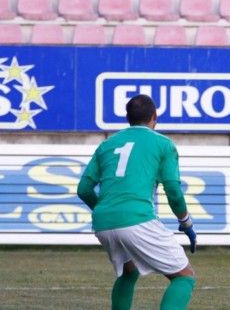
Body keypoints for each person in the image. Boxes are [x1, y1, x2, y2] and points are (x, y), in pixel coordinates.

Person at [77, 94, 197, 310]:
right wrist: (186, 222)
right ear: (155, 116)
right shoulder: (163, 144)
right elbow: (173, 191)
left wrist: (107, 211)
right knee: (184, 276)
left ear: (127, 117)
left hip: (103, 222)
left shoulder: (108, 143)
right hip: (136, 219)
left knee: (128, 271)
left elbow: (83, 189)